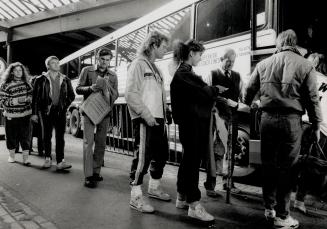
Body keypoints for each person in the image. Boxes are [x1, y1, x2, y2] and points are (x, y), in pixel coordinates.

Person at [244, 29, 322, 228]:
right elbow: (313, 99)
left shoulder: (263, 64)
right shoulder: (305, 65)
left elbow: (248, 91)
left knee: (268, 165)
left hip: (267, 119)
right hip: (291, 121)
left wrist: (251, 102)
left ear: (279, 43)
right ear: (294, 43)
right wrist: (316, 124)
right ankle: (282, 216)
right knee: (287, 169)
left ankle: (269, 208)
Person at [170, 39, 221, 222]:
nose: (200, 58)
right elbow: (203, 92)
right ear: (191, 53)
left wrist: (209, 90)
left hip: (189, 122)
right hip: (191, 123)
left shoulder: (184, 73)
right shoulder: (184, 73)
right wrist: (215, 89)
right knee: (193, 160)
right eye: (199, 54)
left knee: (188, 159)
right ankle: (193, 203)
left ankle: (182, 197)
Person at [125, 31, 171, 213]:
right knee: (142, 158)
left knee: (161, 154)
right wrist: (147, 115)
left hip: (158, 119)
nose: (166, 50)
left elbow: (159, 94)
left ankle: (153, 188)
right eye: (164, 47)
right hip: (146, 118)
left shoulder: (156, 68)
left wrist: (165, 111)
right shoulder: (137, 64)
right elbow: (131, 94)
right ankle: (135, 197)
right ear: (153, 45)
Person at [76, 48, 118, 188]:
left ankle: (96, 172)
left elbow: (116, 94)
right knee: (88, 143)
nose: (105, 62)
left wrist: (108, 91)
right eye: (102, 59)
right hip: (88, 111)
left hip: (104, 112)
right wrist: (90, 88)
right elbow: (78, 88)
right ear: (97, 58)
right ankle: (88, 176)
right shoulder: (87, 70)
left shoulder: (113, 75)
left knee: (100, 143)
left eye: (107, 60)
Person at [203, 48, 243, 197]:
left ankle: (228, 182)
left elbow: (243, 96)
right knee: (214, 151)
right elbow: (206, 95)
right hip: (216, 117)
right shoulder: (212, 74)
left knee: (231, 151)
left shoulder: (237, 77)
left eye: (232, 62)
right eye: (228, 61)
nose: (230, 65)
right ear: (221, 59)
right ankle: (210, 185)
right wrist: (224, 101)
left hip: (232, 118)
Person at [294, 53, 327, 213]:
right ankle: (299, 200)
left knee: (297, 160)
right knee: (310, 164)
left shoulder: (305, 80)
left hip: (304, 123)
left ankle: (288, 198)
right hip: (320, 128)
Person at [32, 56, 75, 171]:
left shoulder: (65, 79)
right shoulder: (40, 79)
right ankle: (48, 159)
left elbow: (72, 95)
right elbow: (35, 98)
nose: (57, 65)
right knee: (47, 136)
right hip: (46, 111)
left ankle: (60, 161)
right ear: (48, 66)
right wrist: (34, 113)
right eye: (53, 63)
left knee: (60, 137)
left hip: (60, 111)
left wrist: (64, 106)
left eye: (57, 62)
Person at [0, 62, 33, 165]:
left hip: (25, 115)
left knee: (25, 137)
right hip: (11, 116)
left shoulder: (27, 84)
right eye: (16, 70)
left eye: (20, 70)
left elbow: (32, 97)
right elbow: (3, 101)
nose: (19, 72)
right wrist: (18, 100)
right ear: (12, 72)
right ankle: (11, 156)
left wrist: (29, 99)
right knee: (11, 137)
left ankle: (25, 159)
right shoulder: (5, 85)